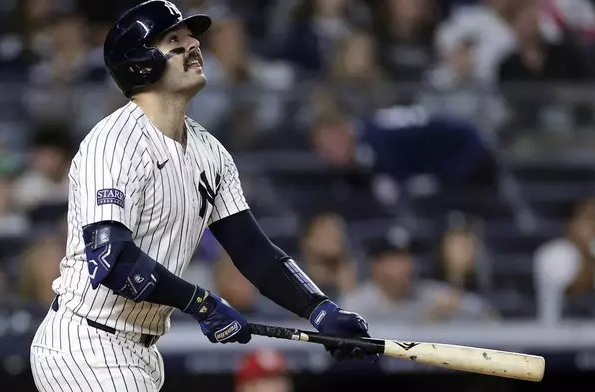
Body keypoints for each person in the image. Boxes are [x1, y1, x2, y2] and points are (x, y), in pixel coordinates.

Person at [29, 2, 375, 392]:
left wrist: (320, 308)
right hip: (84, 342)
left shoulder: (210, 152)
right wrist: (202, 302)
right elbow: (112, 261)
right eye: (174, 39)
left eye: (191, 36)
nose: (193, 44)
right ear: (141, 63)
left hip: (140, 349)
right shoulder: (113, 143)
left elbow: (254, 251)